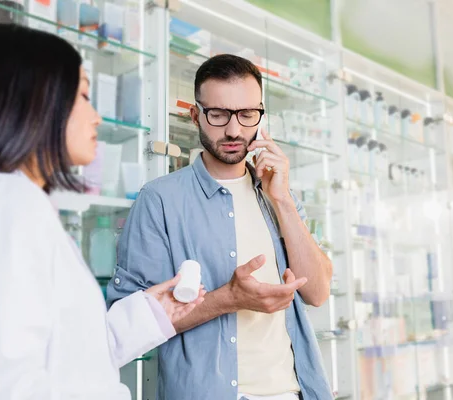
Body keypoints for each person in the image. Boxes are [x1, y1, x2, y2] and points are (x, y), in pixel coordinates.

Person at [0, 24, 204, 400]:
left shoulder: (10, 203)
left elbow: (69, 358)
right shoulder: (8, 203)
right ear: (35, 99)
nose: (97, 117)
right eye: (84, 96)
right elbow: (1, 387)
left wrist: (151, 313)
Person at [107, 54, 334, 400]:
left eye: (246, 115)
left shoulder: (278, 194)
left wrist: (283, 199)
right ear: (195, 115)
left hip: (295, 392)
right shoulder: (160, 200)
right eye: (218, 114)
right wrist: (227, 299)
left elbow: (317, 293)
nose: (233, 130)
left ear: (260, 115)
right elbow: (131, 326)